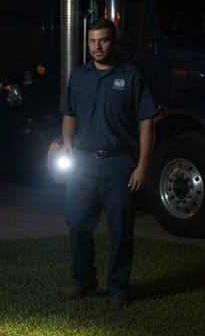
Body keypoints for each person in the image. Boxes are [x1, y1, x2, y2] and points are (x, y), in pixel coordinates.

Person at [60, 18, 159, 307]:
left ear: (113, 41)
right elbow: (69, 114)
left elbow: (146, 122)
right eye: (92, 41)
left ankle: (119, 287)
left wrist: (142, 165)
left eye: (103, 40)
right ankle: (83, 281)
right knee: (77, 224)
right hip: (83, 165)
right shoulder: (78, 76)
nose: (97, 46)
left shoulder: (131, 75)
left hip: (119, 166)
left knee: (120, 229)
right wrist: (67, 147)